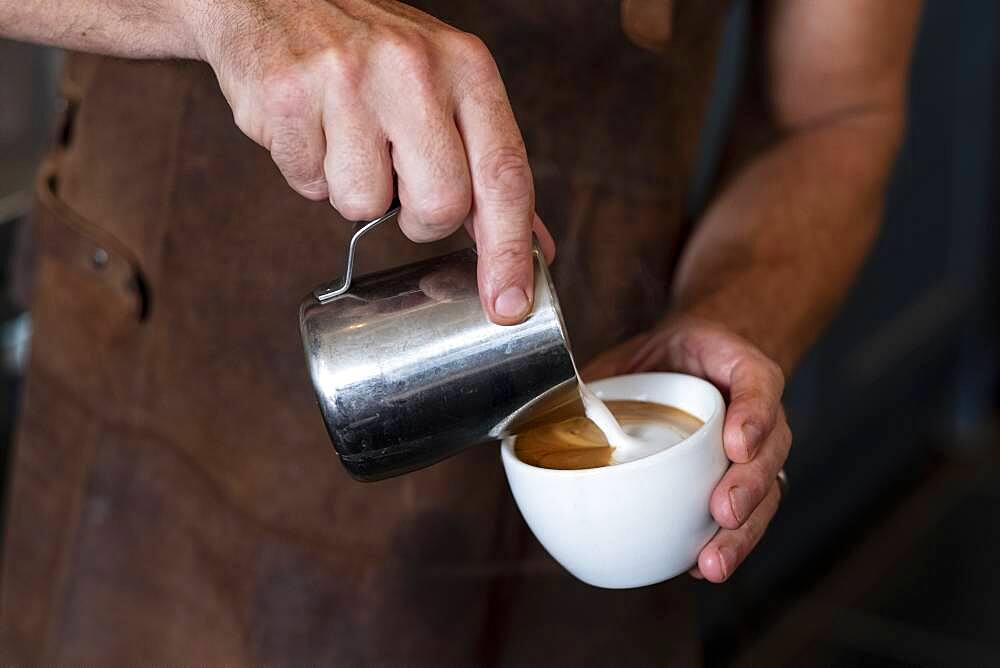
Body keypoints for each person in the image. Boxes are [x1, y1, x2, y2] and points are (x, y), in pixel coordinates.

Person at [0, 0, 921, 663]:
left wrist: (731, 315)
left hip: (600, 444)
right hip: (181, 405)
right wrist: (227, 12)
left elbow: (836, 112)